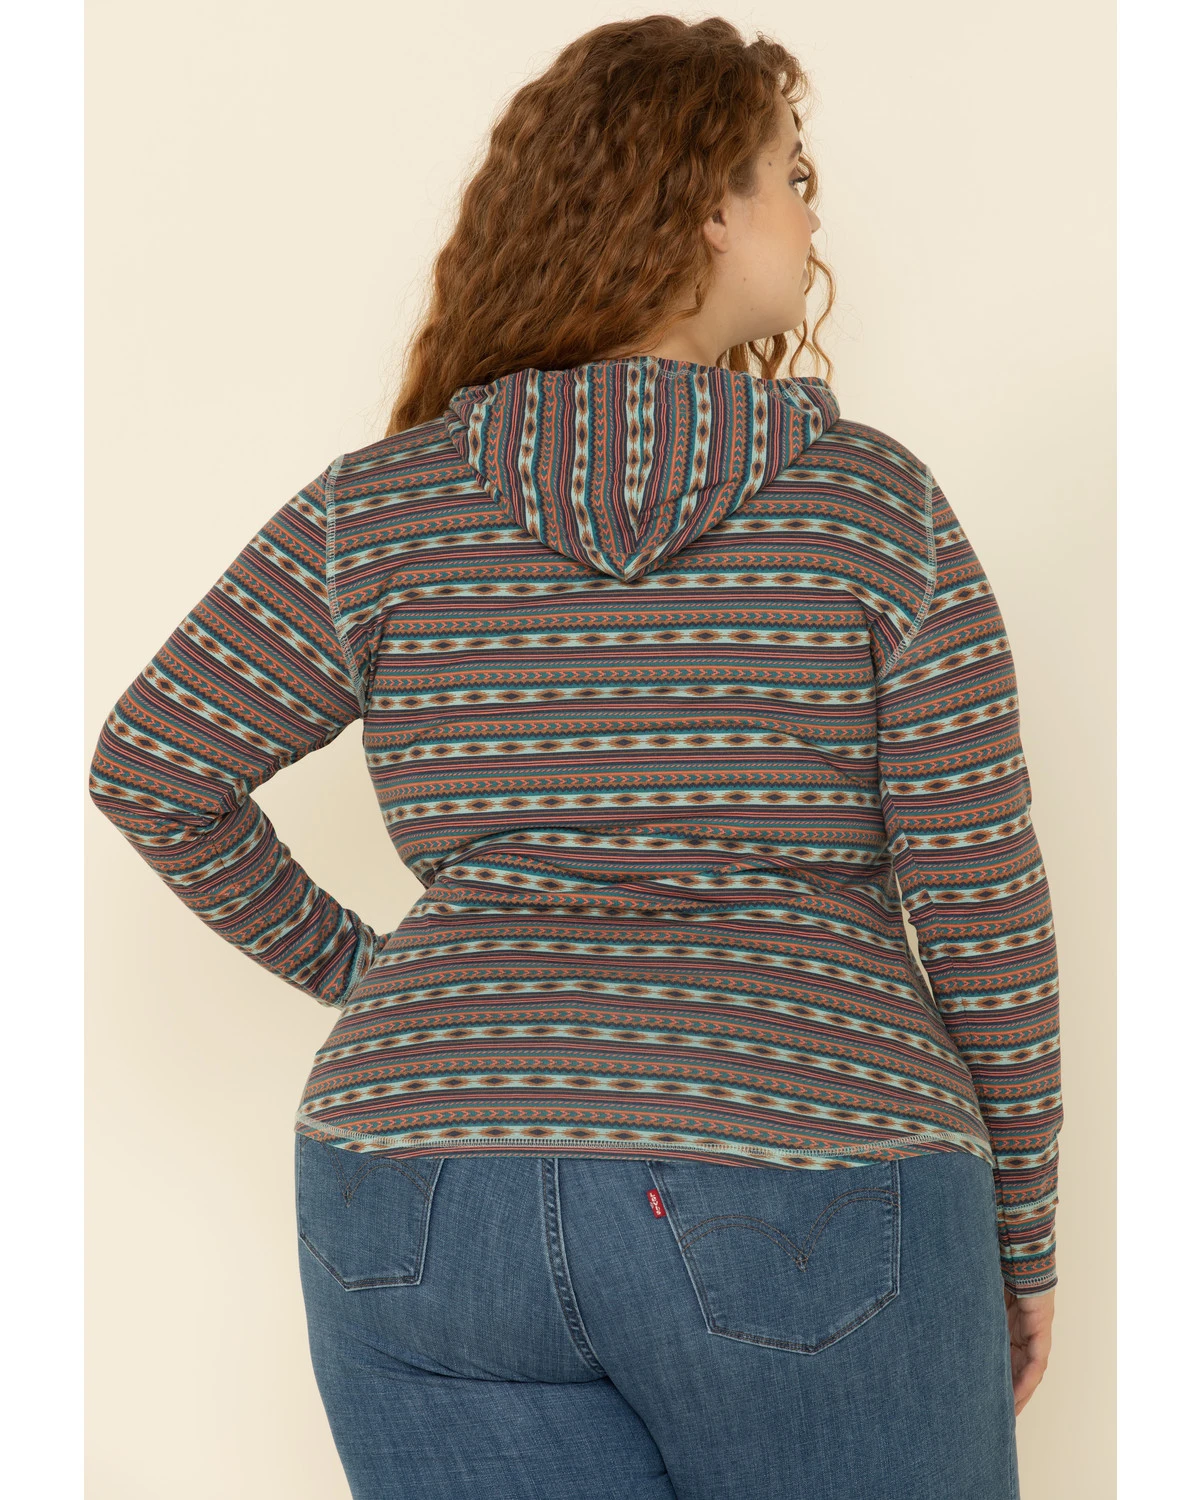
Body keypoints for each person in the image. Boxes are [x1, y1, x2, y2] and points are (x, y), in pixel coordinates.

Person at [88, 14, 1061, 1499]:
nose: (813, 216)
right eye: (789, 175)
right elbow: (980, 896)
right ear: (707, 207)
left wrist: (388, 981)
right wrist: (1024, 1234)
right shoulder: (872, 507)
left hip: (418, 1184)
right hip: (808, 1168)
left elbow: (154, 764)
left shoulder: (383, 508)